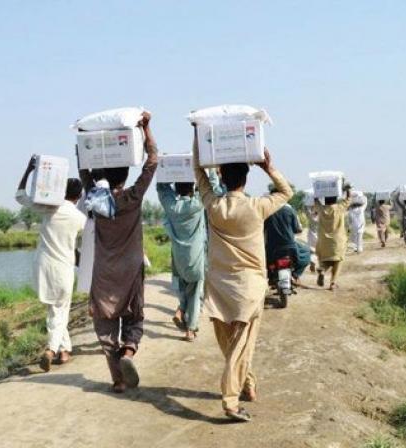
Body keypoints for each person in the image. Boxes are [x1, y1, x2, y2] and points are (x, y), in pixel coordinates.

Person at [193, 130, 292, 422]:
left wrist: (198, 134)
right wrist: (269, 168)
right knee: (240, 346)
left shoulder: (213, 206)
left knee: (230, 345)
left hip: (220, 288)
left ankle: (246, 384)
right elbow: (287, 192)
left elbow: (198, 172)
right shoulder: (257, 206)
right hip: (249, 288)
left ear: (222, 177)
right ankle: (231, 401)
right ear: (246, 179)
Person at [79, 111, 157, 393]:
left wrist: (85, 142)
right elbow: (152, 162)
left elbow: (84, 172)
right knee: (134, 316)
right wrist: (147, 129)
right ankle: (129, 352)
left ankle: (117, 378)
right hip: (131, 267)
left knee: (105, 322)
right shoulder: (133, 197)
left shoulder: (95, 200)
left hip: (105, 272)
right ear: (125, 174)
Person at [15, 157, 87, 371]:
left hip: (43, 268)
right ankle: (52, 349)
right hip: (64, 269)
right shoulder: (79, 218)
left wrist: (28, 170)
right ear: (79, 196)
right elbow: (87, 245)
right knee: (60, 310)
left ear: (62, 192)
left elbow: (20, 196)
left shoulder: (48, 208)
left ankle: (64, 352)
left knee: (54, 311)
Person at [156, 174, 217, 342]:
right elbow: (212, 187)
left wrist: (167, 170)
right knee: (197, 292)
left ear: (176, 188)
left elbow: (161, 188)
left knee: (183, 287)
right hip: (196, 258)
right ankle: (190, 329)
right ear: (193, 188)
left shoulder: (172, 207)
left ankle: (180, 310)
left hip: (178, 258)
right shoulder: (197, 205)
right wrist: (207, 169)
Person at [264, 200, 311, 284]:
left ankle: (271, 277)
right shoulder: (290, 210)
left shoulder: (266, 211)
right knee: (307, 252)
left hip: (272, 247)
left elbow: (261, 229)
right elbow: (297, 229)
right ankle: (295, 275)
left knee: (263, 261)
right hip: (290, 245)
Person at [315, 187, 351, 290]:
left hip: (323, 240)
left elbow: (315, 201)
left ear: (325, 199)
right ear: (336, 199)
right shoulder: (340, 207)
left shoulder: (321, 209)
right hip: (337, 240)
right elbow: (348, 199)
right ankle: (333, 283)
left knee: (325, 259)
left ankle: (322, 269)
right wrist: (348, 189)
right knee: (338, 261)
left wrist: (318, 190)